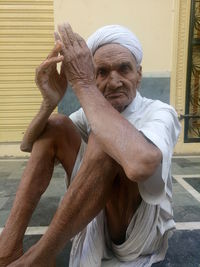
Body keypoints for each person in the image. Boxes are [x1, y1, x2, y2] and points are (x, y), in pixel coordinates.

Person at [0, 23, 181, 267]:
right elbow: (29, 145)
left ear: (139, 74)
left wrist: (83, 85)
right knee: (56, 125)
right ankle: (8, 249)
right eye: (102, 72)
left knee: (105, 140)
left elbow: (141, 165)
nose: (114, 81)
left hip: (134, 234)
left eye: (124, 69)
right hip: (95, 220)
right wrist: (48, 103)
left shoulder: (161, 112)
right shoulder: (91, 113)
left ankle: (37, 258)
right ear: (95, 78)